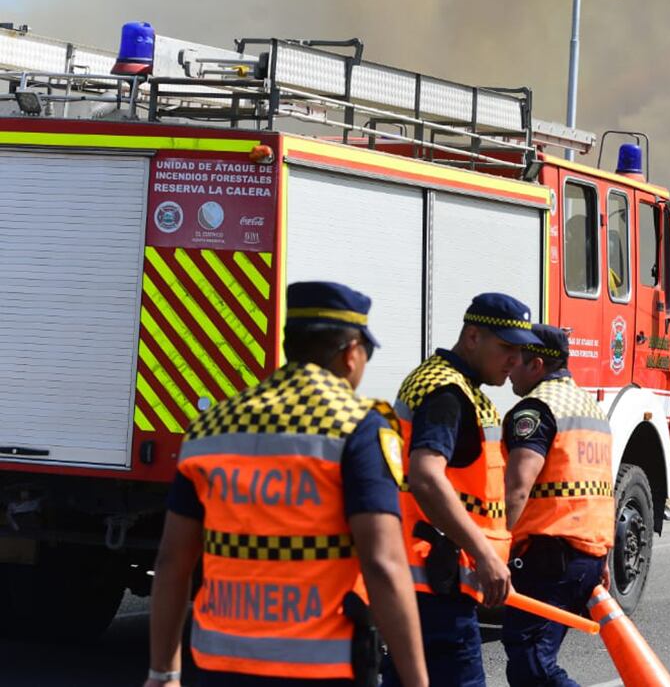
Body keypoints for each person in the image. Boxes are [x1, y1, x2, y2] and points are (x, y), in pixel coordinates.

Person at [144, 282, 427, 687]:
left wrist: (162, 671)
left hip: (219, 666)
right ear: (351, 353)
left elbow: (172, 560)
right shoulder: (358, 428)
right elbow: (383, 564)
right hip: (321, 670)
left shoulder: (210, 427)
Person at [385, 293, 543, 687]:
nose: (515, 361)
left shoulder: (449, 385)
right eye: (506, 347)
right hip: (436, 582)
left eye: (521, 351)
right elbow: (426, 476)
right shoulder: (448, 394)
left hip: (426, 578)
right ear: (472, 337)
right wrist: (485, 554)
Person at [500, 325, 614, 687]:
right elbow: (599, 488)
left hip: (549, 558)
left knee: (531, 661)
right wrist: (604, 558)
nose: (508, 370)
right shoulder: (589, 408)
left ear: (536, 365)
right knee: (531, 659)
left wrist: (490, 551)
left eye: (515, 360)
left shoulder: (536, 409)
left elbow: (517, 488)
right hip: (586, 555)